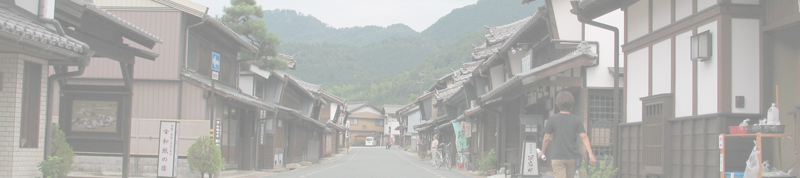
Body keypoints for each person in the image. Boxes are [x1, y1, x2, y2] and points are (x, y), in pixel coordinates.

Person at [538, 91, 597, 178]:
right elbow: (584, 137)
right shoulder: (577, 120)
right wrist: (591, 154)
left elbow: (546, 138)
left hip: (557, 157)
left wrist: (542, 151)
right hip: (572, 157)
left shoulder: (552, 119)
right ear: (571, 104)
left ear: (557, 104)